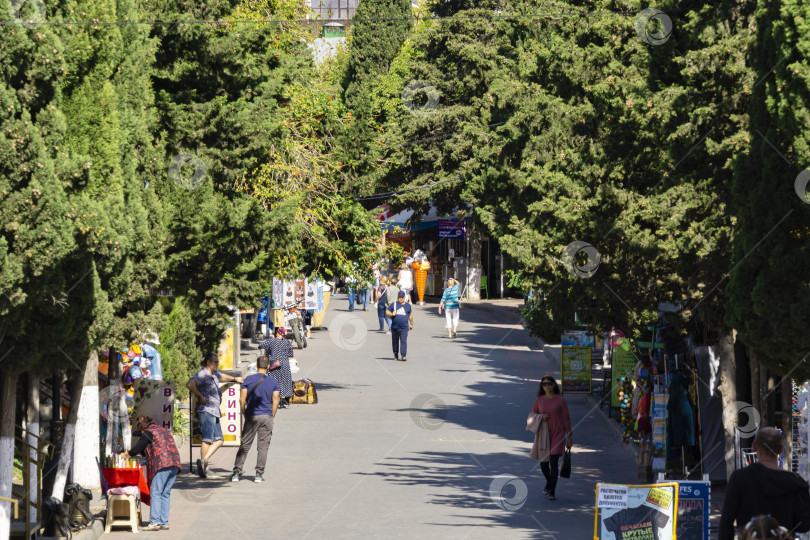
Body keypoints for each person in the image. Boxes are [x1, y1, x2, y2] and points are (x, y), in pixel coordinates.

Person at [719, 427, 810, 540]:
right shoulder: (796, 482)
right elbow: (805, 524)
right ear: (780, 449)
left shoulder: (739, 478)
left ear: (755, 446)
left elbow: (726, 522)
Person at [186, 353, 244, 478]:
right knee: (207, 439)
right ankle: (205, 467)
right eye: (215, 362)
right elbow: (190, 384)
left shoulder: (214, 374)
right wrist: (200, 396)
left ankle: (204, 461)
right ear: (208, 362)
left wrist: (235, 379)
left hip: (214, 411)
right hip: (206, 410)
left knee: (219, 440)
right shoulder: (202, 374)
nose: (218, 364)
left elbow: (223, 377)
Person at [123, 416, 181, 531]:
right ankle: (164, 522)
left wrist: (127, 454)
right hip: (175, 463)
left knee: (155, 492)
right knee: (165, 493)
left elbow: (138, 448)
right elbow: (156, 447)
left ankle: (154, 522)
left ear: (142, 427)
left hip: (163, 464)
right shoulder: (164, 430)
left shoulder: (149, 432)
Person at [232, 355, 279, 483]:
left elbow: (242, 399)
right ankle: (258, 475)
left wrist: (244, 413)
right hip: (266, 416)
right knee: (263, 448)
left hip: (251, 415)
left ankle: (236, 472)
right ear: (268, 367)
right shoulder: (273, 382)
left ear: (256, 366)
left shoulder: (248, 380)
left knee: (245, 445)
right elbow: (275, 401)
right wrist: (271, 415)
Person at [531, 375, 572, 501]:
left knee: (553, 463)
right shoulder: (539, 400)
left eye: (549, 383)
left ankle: (552, 491)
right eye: (544, 384)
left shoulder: (560, 400)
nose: (547, 386)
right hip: (544, 435)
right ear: (541, 387)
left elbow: (566, 419)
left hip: (557, 434)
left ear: (554, 385)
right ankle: (549, 482)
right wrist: (540, 417)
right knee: (543, 464)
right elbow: (532, 415)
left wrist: (569, 437)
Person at [259, 328, 294, 408]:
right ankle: (282, 401)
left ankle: (274, 399)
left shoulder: (272, 341)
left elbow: (261, 345)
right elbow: (290, 354)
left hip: (274, 364)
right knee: (284, 382)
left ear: (278, 333)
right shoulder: (287, 342)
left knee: (273, 381)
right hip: (284, 364)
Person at [386, 291, 413, 361]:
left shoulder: (408, 306)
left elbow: (410, 316)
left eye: (402, 297)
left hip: (404, 327)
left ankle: (403, 355)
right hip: (395, 327)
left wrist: (411, 324)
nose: (401, 299)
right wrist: (392, 314)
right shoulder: (393, 304)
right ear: (397, 297)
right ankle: (395, 354)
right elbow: (387, 312)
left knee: (403, 341)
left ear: (404, 297)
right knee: (395, 342)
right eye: (399, 297)